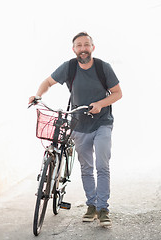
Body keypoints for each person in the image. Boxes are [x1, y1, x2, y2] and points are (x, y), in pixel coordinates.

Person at [29, 32, 122, 227]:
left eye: (86, 45)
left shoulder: (103, 68)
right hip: (79, 124)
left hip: (102, 123)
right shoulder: (69, 67)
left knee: (102, 165)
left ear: (92, 48)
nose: (83, 49)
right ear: (74, 49)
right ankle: (91, 205)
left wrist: (100, 104)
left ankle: (103, 209)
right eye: (78, 46)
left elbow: (117, 93)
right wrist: (37, 95)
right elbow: (47, 82)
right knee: (86, 168)